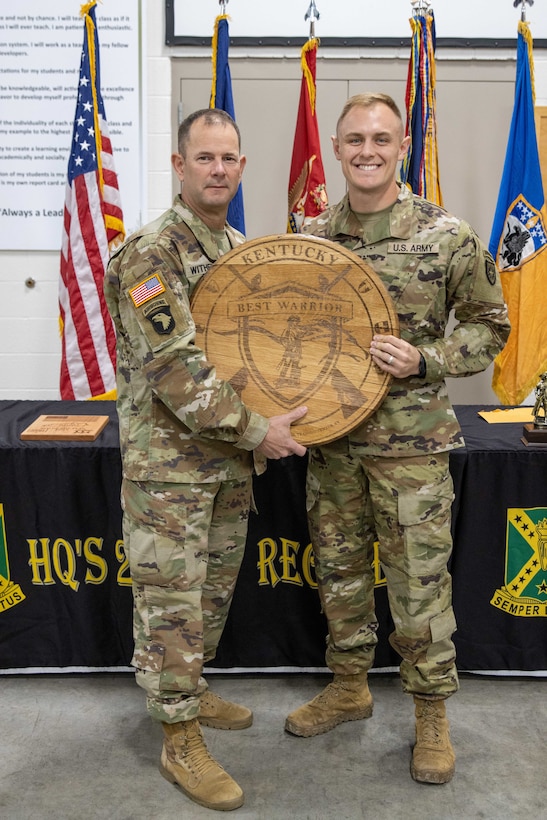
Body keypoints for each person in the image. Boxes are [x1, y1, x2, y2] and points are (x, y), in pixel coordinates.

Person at [284, 93, 510, 784]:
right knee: (340, 577)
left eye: (381, 138)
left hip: (410, 448)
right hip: (332, 443)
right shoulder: (310, 237)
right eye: (354, 138)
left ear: (401, 146)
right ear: (337, 145)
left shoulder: (446, 235)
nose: (367, 150)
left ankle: (430, 717)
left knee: (418, 589)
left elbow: (489, 326)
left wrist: (427, 360)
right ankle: (350, 688)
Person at [104, 108, 307, 812]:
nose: (218, 169)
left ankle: (190, 692)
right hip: (170, 472)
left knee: (210, 599)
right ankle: (178, 738)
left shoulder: (235, 248)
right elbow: (176, 371)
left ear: (241, 168)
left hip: (223, 467)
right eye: (205, 158)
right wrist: (260, 433)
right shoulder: (150, 254)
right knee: (172, 611)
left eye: (229, 158)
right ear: (179, 164)